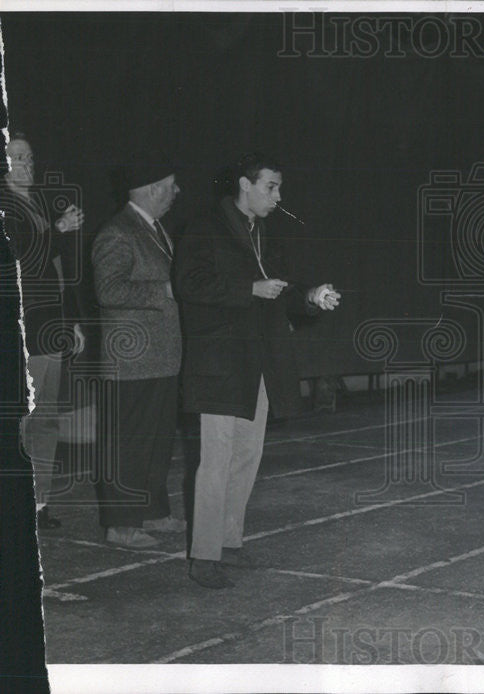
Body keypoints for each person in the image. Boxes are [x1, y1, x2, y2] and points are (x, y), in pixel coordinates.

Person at [176, 152, 340, 589]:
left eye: (279, 188)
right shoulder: (204, 227)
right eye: (271, 187)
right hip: (219, 365)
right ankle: (204, 557)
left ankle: (230, 542)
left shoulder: (262, 233)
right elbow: (188, 284)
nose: (278, 196)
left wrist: (311, 297)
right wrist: (248, 288)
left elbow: (279, 290)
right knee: (215, 460)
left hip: (258, 364)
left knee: (248, 456)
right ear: (245, 185)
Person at [91, 155, 184, 548]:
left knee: (156, 440)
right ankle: (120, 524)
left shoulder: (156, 229)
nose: (177, 192)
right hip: (130, 360)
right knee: (127, 443)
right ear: (151, 189)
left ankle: (152, 511)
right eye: (171, 185)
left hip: (160, 356)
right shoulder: (117, 232)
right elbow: (108, 291)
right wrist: (161, 291)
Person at [2, 133, 86, 530]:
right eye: (17, 158)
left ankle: (39, 504)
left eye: (30, 157)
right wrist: (59, 226)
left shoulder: (34, 203)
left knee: (47, 418)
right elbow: (21, 259)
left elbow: (54, 270)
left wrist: (70, 320)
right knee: (20, 419)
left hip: (47, 326)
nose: (26, 165)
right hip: (21, 328)